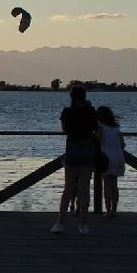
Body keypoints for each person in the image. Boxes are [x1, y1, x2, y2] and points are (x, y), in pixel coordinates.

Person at [51, 84, 98, 235]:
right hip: (87, 149)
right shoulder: (91, 111)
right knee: (84, 189)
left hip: (72, 149)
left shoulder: (67, 112)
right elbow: (95, 129)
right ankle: (83, 225)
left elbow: (64, 130)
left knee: (68, 188)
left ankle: (60, 222)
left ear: (71, 96)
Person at [96, 105, 126, 217]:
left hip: (106, 156)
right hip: (118, 156)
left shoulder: (100, 126)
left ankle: (108, 210)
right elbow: (122, 143)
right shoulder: (116, 127)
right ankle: (114, 209)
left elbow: (99, 140)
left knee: (107, 184)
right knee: (114, 184)